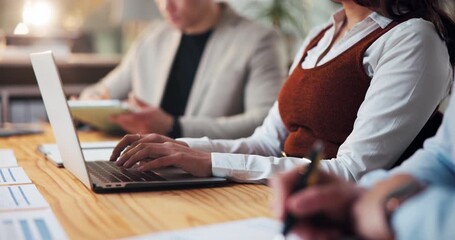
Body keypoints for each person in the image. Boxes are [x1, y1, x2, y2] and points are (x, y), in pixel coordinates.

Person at [109, 0, 454, 183]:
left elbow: (353, 172)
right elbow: (265, 142)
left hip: (335, 212)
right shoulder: (320, 35)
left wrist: (211, 162)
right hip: (272, 193)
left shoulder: (412, 39)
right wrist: (178, 149)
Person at [270, 77, 455, 240]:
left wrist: (387, 209)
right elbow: (443, 158)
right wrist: (364, 195)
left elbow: (351, 168)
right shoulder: (315, 41)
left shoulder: (414, 42)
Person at [79, 0, 287, 139]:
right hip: (143, 162)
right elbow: (100, 92)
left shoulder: (259, 40)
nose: (166, 7)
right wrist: (92, 103)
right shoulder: (152, 38)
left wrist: (173, 126)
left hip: (210, 174)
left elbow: (264, 121)